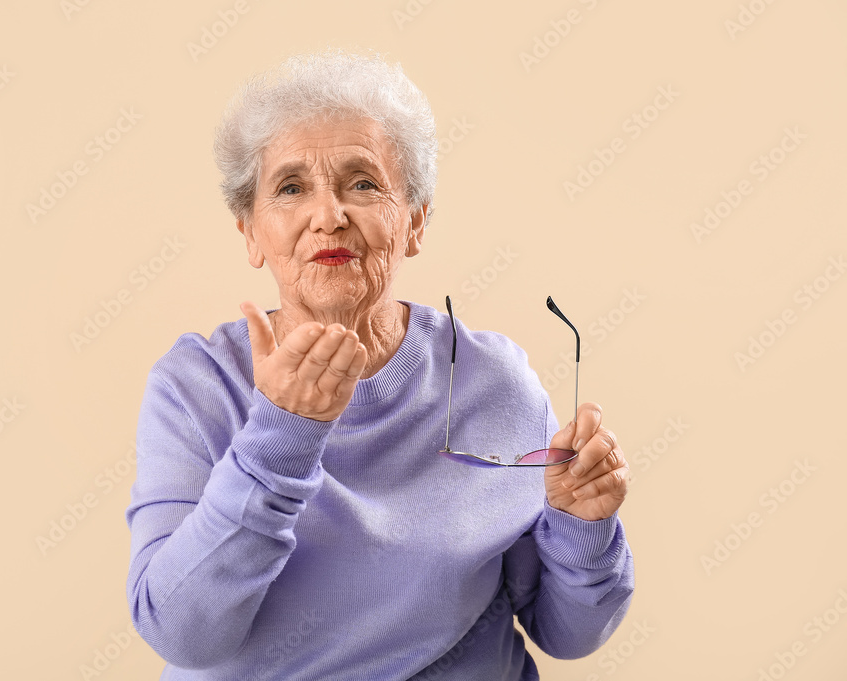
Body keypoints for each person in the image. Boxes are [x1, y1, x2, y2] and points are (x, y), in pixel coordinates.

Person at [125, 49, 634, 680]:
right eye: (290, 188)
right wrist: (282, 434)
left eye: (363, 183)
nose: (329, 216)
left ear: (416, 222)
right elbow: (182, 634)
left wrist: (584, 526)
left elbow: (568, 635)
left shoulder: (493, 383)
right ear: (251, 232)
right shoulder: (196, 388)